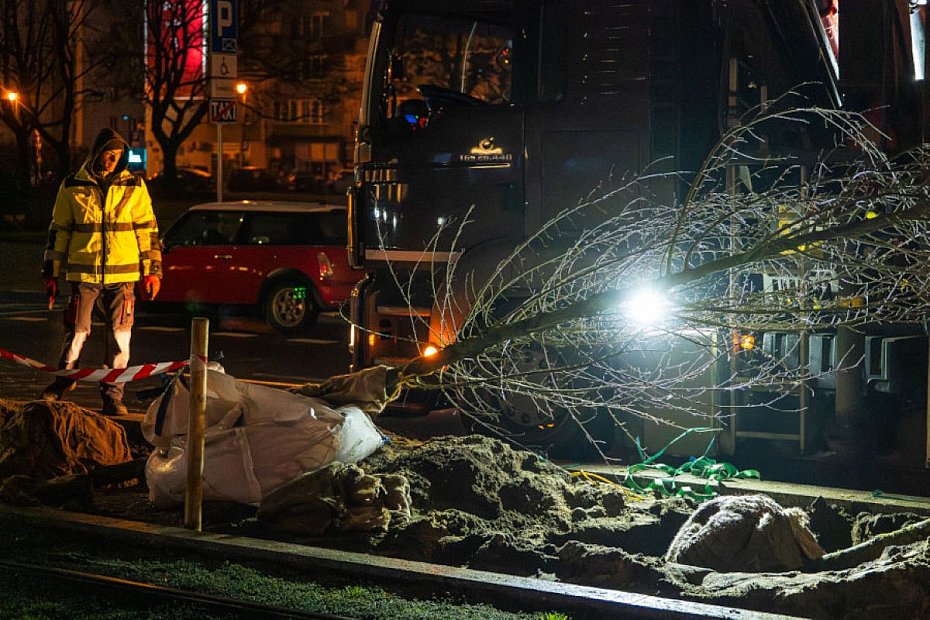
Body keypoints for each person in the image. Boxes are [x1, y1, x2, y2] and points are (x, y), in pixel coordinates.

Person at [39, 128, 162, 416]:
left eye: (117, 155)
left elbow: (148, 231)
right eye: (108, 153)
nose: (112, 159)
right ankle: (64, 381)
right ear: (97, 153)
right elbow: (59, 230)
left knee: (120, 339)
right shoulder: (72, 185)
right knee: (77, 333)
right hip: (84, 277)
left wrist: (153, 271)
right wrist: (51, 273)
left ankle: (113, 396)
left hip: (123, 277)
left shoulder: (135, 186)